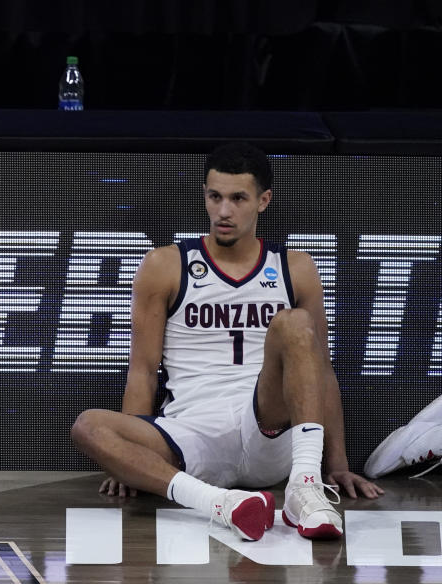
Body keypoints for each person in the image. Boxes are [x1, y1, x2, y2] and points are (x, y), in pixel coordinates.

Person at [71, 143, 383, 542]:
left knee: (295, 323)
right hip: (191, 436)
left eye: (238, 198)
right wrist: (131, 462)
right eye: (215, 196)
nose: (224, 211)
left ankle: (304, 488)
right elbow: (143, 370)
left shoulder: (295, 267)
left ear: (263, 201)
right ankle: (222, 504)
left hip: (266, 425)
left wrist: (336, 463)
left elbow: (320, 373)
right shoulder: (165, 265)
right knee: (89, 427)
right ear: (204, 194)